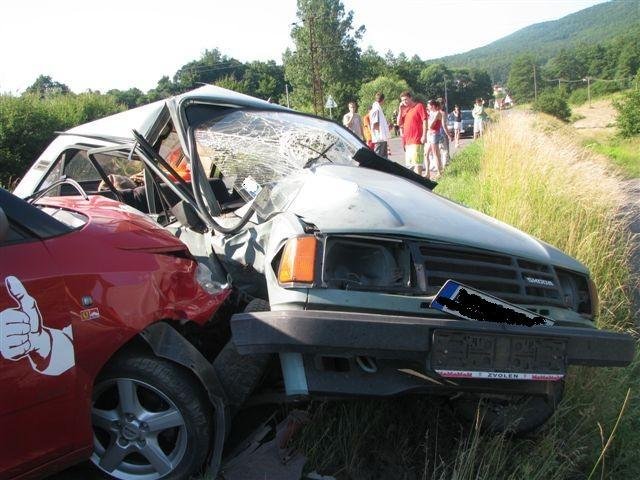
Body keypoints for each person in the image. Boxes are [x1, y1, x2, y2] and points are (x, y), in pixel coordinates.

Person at [398, 91, 427, 176]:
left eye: (406, 99)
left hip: (417, 140)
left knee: (417, 164)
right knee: (411, 165)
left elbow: (425, 120)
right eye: (402, 100)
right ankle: (416, 183)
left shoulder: (419, 106)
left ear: (410, 98)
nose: (404, 102)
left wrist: (424, 135)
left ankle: (419, 184)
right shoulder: (406, 110)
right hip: (408, 142)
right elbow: (399, 122)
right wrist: (400, 109)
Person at [425, 99, 450, 179]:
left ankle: (440, 172)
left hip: (434, 134)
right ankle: (427, 173)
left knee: (436, 154)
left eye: (428, 105)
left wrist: (429, 123)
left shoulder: (438, 113)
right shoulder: (430, 113)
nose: (427, 107)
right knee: (426, 154)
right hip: (429, 134)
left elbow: (431, 126)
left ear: (432, 106)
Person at [369, 92, 390, 158]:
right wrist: (379, 133)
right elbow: (375, 123)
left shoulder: (377, 108)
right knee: (378, 155)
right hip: (379, 137)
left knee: (383, 155)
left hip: (381, 137)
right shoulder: (376, 109)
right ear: (383, 100)